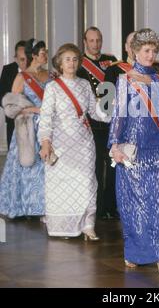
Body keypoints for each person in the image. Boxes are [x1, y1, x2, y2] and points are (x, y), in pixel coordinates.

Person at [108, 28, 159, 272]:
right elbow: (119, 115)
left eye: (153, 51)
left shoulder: (158, 79)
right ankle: (135, 253)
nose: (150, 55)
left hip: (156, 148)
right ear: (135, 52)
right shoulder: (125, 79)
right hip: (133, 150)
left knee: (156, 202)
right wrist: (115, 145)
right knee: (133, 204)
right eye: (146, 50)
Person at [39, 43, 101, 240]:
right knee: (63, 185)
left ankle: (88, 225)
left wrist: (116, 112)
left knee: (87, 183)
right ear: (59, 62)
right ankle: (65, 226)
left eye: (75, 59)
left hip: (84, 144)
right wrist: (45, 142)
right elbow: (46, 116)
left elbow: (95, 111)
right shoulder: (53, 87)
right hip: (61, 145)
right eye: (67, 59)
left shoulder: (84, 84)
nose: (71, 63)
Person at [0, 38, 48, 218]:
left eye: (45, 52)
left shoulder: (50, 75)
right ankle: (25, 207)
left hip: (47, 127)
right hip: (27, 128)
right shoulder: (21, 77)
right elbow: (11, 106)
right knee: (28, 166)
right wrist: (36, 110)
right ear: (33, 55)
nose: (45, 56)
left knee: (45, 168)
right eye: (42, 53)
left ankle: (43, 208)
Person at [77, 26, 118, 219]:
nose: (95, 44)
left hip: (110, 120)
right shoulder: (79, 64)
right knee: (93, 168)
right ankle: (98, 208)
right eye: (91, 41)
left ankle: (111, 205)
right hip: (92, 122)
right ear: (85, 42)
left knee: (113, 165)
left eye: (98, 40)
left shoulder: (110, 61)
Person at [0, 40, 27, 147]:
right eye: (21, 59)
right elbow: (1, 94)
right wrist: (11, 108)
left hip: (33, 119)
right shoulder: (8, 70)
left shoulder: (38, 71)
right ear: (15, 58)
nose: (25, 62)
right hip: (13, 119)